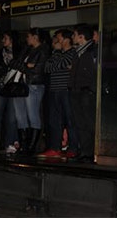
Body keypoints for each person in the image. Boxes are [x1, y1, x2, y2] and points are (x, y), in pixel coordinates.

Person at [9, 28, 50, 155]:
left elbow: (38, 70)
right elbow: (13, 62)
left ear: (35, 37)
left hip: (34, 84)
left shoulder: (43, 50)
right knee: (20, 115)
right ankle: (24, 145)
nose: (27, 39)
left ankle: (31, 147)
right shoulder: (27, 49)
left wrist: (24, 66)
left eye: (28, 36)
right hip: (21, 84)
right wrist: (27, 66)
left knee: (33, 115)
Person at [39, 28, 78, 160]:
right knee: (54, 120)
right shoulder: (57, 53)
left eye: (59, 38)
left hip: (66, 90)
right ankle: (55, 148)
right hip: (54, 90)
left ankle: (73, 148)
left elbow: (58, 65)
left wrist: (56, 61)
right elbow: (47, 67)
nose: (57, 41)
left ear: (66, 39)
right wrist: (56, 54)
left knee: (70, 120)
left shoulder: (73, 53)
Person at [68, 24, 97, 163]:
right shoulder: (77, 52)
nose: (72, 37)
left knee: (89, 122)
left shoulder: (92, 51)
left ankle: (93, 152)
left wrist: (91, 89)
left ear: (81, 37)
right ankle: (86, 151)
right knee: (80, 123)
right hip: (75, 90)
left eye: (74, 35)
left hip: (86, 91)